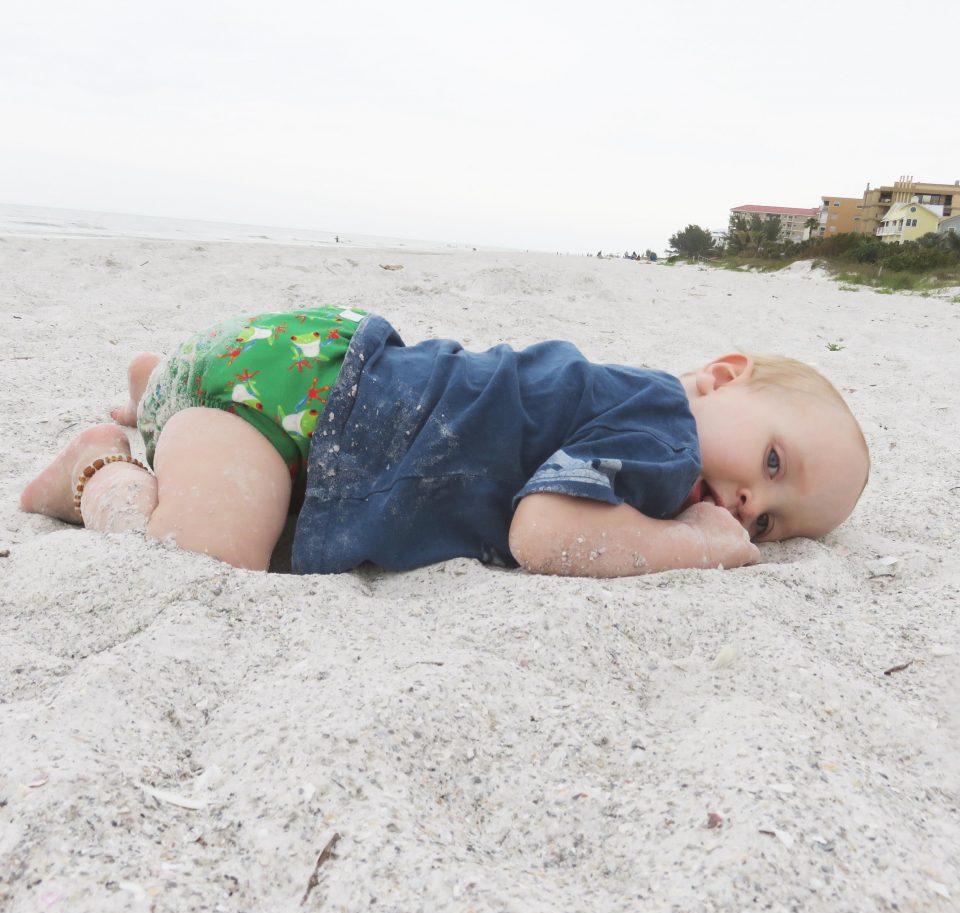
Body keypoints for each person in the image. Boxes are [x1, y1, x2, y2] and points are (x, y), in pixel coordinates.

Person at [20, 305, 870, 577]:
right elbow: (546, 531)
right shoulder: (663, 429)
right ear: (719, 379)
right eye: (771, 463)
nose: (752, 506)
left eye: (769, 522)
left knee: (221, 438)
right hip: (305, 400)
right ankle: (99, 466)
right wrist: (697, 547)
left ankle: (162, 386)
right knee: (205, 553)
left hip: (302, 370)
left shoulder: (628, 413)